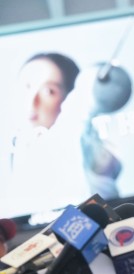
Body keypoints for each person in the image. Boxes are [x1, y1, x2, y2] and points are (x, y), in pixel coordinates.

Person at [3, 52, 121, 218]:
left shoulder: (76, 139)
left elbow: (83, 102)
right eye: (27, 86)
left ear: (69, 98)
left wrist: (99, 80)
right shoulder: (16, 151)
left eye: (49, 91)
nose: (32, 100)